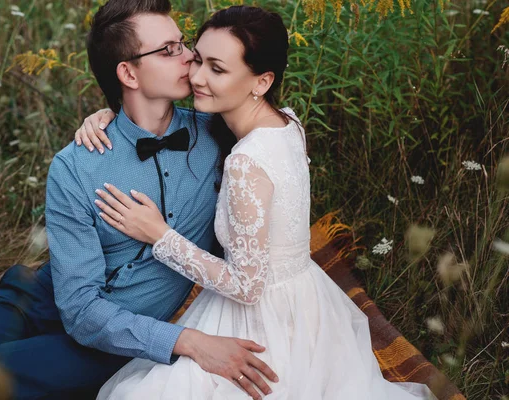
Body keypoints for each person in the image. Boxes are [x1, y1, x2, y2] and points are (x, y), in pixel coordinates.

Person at [0, 1, 278, 399]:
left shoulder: (221, 138)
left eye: (182, 43)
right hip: (40, 299)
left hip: (118, 335)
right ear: (128, 72)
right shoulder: (76, 164)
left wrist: (177, 340)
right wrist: (189, 340)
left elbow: (278, 133)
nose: (189, 57)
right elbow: (80, 307)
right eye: (169, 49)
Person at [78, 5, 439, 399]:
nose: (195, 76)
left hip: (262, 316)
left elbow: (248, 286)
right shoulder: (286, 121)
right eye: (197, 58)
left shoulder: (245, 162)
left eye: (217, 69)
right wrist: (111, 114)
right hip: (307, 303)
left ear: (261, 81)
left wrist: (159, 236)